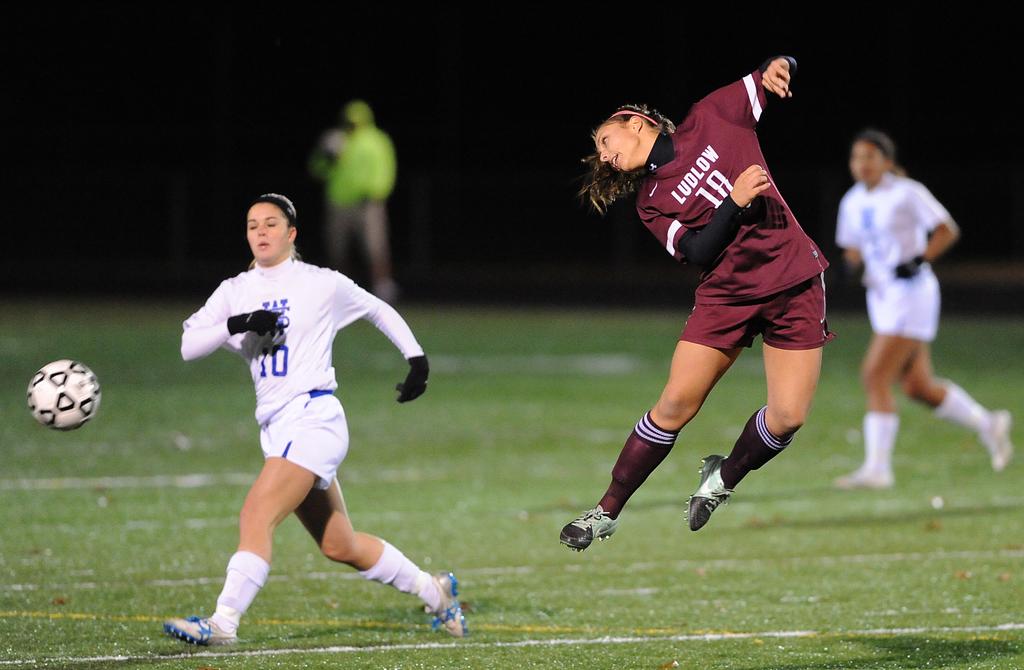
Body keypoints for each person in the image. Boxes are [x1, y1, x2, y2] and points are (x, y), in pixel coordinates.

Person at [163, 193, 466, 645]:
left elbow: (377, 308)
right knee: (339, 545)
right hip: (277, 430)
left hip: (314, 418)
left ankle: (223, 622)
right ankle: (436, 592)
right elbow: (189, 345)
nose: (261, 232)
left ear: (292, 233)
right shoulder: (235, 291)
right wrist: (238, 322)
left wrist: (416, 358)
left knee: (256, 514)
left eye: (270, 224)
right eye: (252, 225)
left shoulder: (319, 283)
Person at [560, 56, 832, 549]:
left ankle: (722, 477)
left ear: (635, 122)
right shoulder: (650, 202)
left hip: (791, 277)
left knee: (789, 415)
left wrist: (781, 65)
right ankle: (605, 511)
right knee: (674, 403)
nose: (603, 156)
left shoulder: (713, 115)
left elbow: (770, 74)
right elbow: (698, 250)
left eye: (605, 142)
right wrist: (734, 200)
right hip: (726, 295)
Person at [833, 130, 1013, 489]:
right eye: (856, 157)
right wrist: (846, 268)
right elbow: (852, 248)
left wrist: (920, 259)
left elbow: (946, 229)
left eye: (870, 157)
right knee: (917, 386)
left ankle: (877, 469)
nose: (862, 164)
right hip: (881, 297)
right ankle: (989, 424)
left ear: (886, 160)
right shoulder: (851, 201)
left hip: (911, 294)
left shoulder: (907, 192)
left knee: (874, 375)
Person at [309, 100, 399, 302]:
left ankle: (382, 287)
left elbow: (386, 168)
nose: (352, 126)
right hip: (338, 203)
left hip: (367, 203)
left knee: (375, 247)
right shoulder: (335, 139)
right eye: (349, 122)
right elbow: (317, 170)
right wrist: (328, 156)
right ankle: (342, 291)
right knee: (337, 248)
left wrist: (377, 191)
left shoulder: (377, 141)